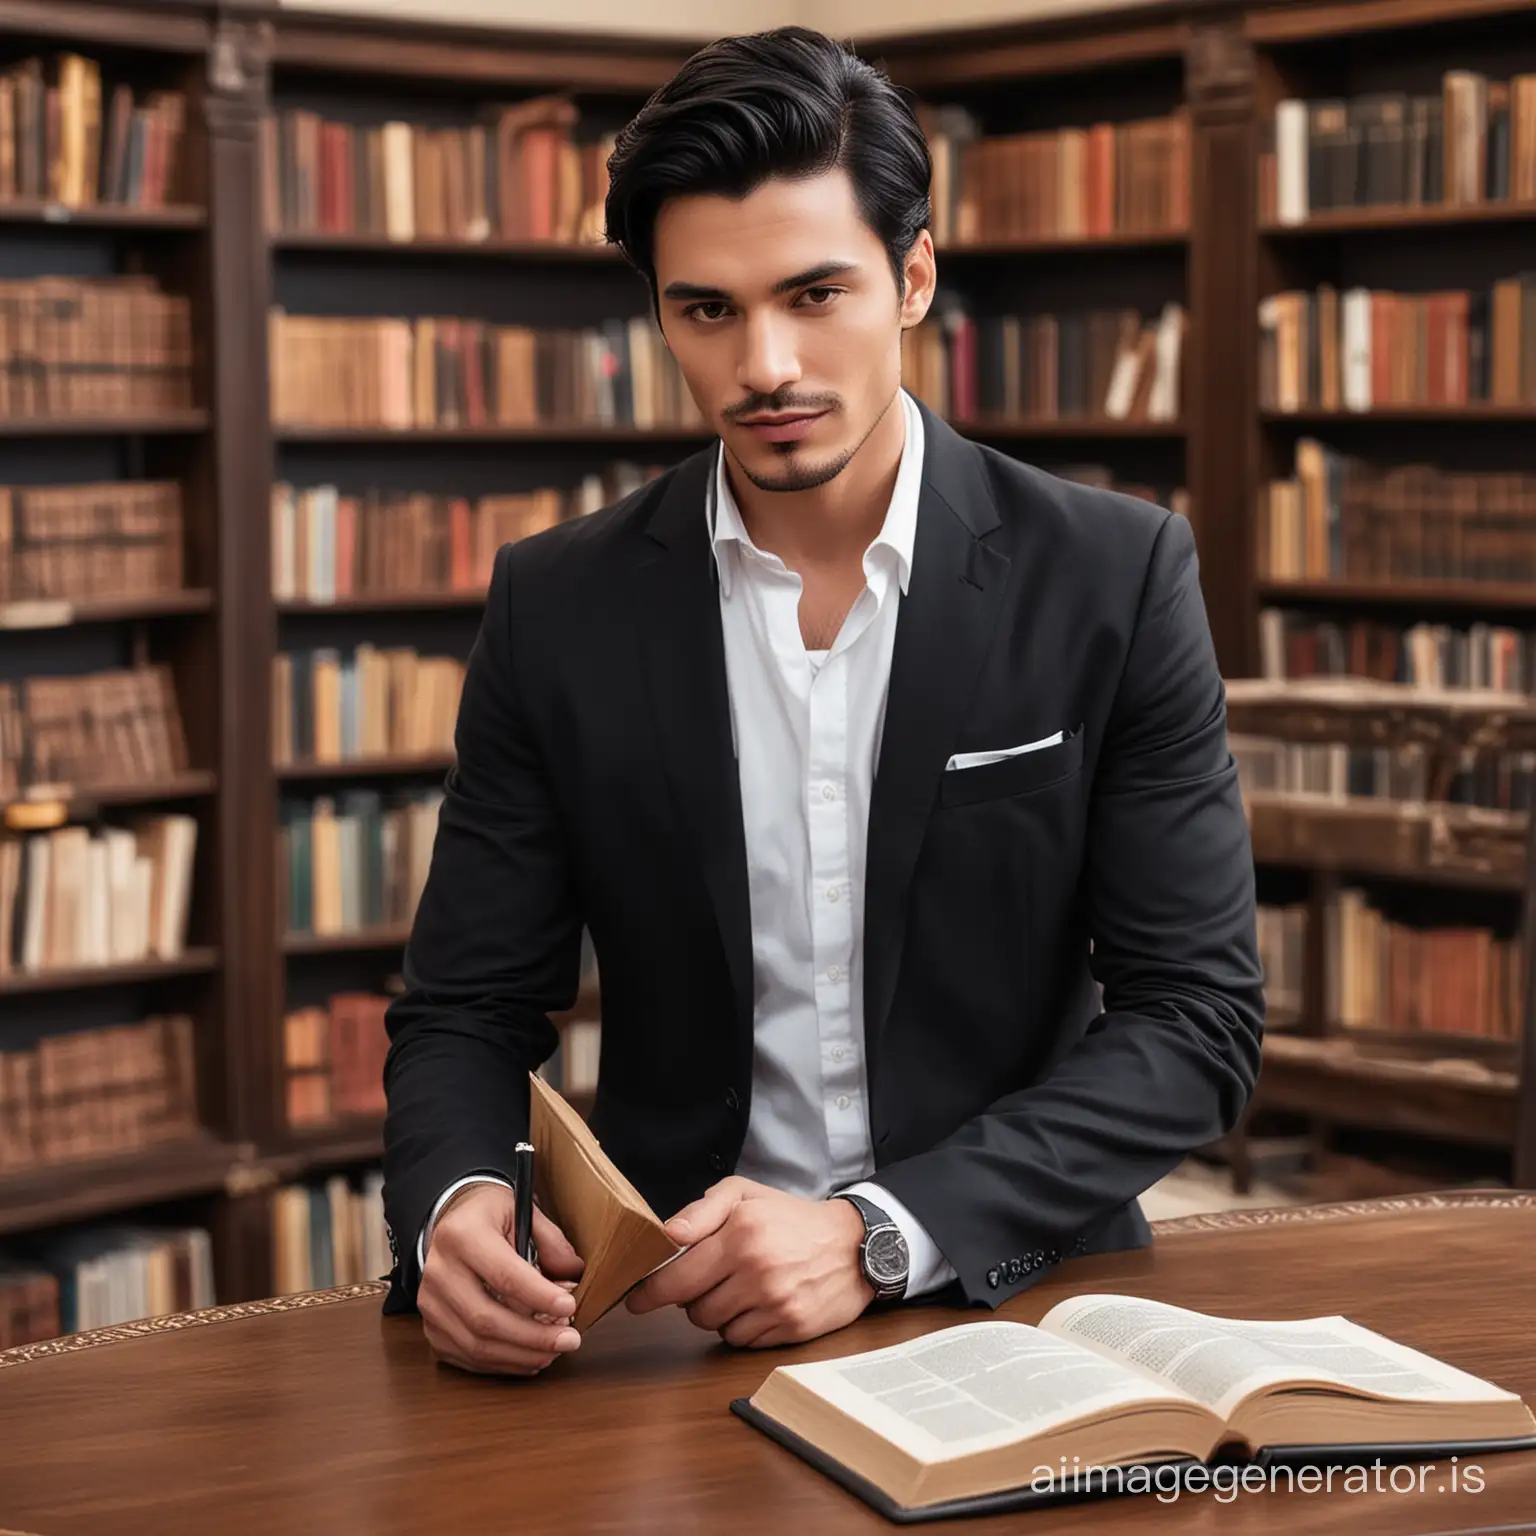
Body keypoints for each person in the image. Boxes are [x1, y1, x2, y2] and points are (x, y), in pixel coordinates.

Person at [379, 24, 1264, 1378]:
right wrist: (456, 1204)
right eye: (708, 310)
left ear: (913, 278)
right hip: (673, 1322)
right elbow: (466, 1010)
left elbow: (1194, 1020)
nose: (766, 366)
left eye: (815, 294)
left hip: (1025, 1301)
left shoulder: (1114, 575)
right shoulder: (558, 606)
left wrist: (878, 1232)